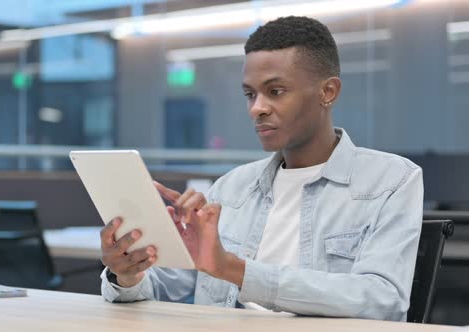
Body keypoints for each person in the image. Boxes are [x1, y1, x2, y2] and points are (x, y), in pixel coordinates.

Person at [99, 16, 423, 322]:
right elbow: (163, 287)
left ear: (328, 92)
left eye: (275, 91)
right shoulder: (230, 189)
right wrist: (127, 274)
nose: (257, 108)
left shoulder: (391, 181)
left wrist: (236, 270)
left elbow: (383, 299)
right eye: (250, 94)